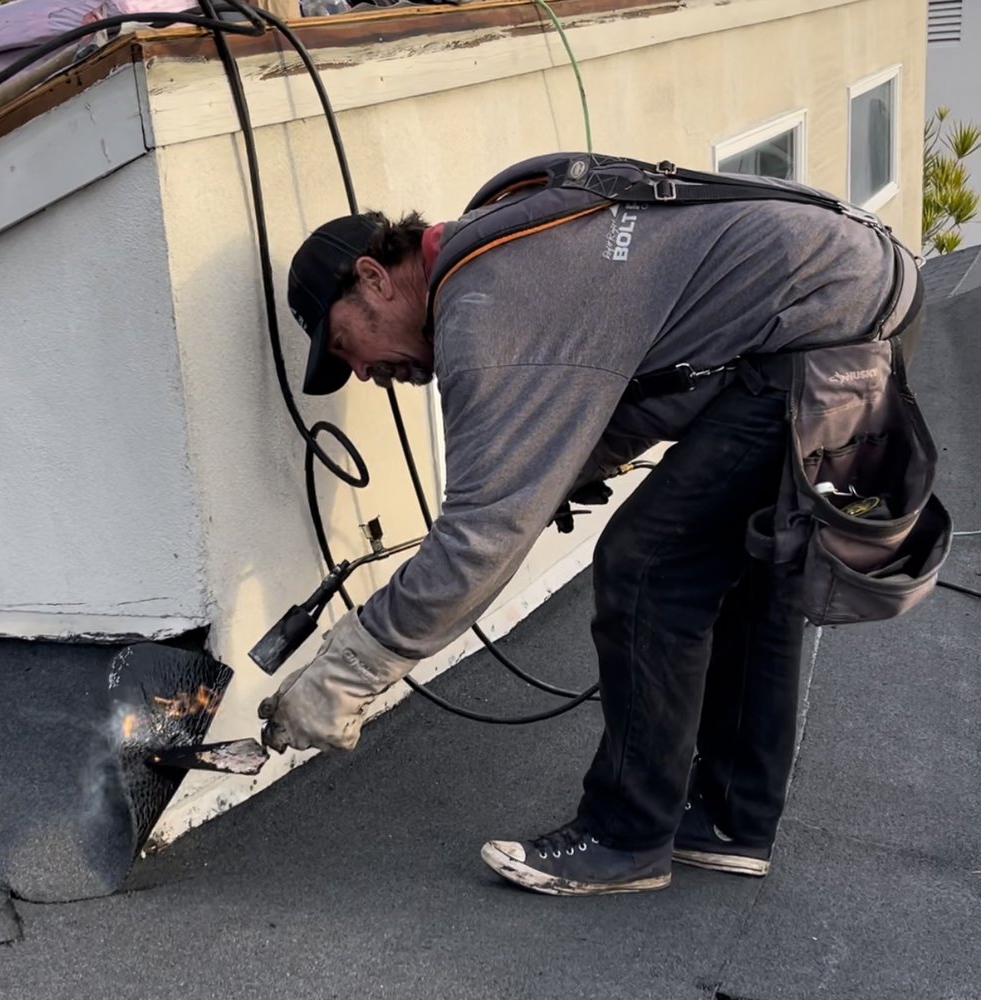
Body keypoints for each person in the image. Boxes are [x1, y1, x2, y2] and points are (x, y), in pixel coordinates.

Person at [257, 153, 923, 896]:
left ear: (375, 278)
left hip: (820, 324)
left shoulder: (482, 304)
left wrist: (347, 671)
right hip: (855, 297)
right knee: (736, 567)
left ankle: (625, 836)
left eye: (344, 344)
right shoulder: (503, 249)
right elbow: (618, 390)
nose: (361, 373)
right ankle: (731, 820)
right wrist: (555, 477)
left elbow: (479, 537)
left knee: (646, 566)